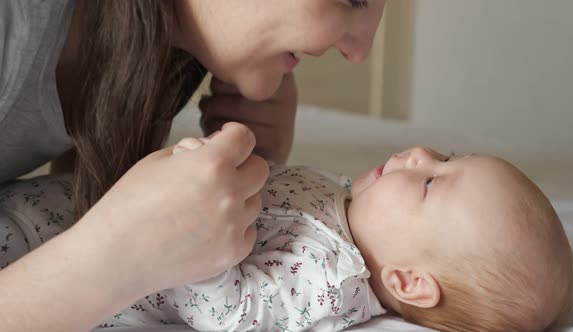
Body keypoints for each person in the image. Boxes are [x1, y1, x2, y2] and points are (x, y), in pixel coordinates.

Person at [0, 1, 386, 330]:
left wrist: (252, 181)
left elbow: (65, 210)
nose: (360, 50)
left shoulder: (164, 54)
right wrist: (114, 258)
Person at [1, 145, 573, 332]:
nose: (420, 153)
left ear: (409, 282)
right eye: (445, 156)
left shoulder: (328, 286)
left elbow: (229, 313)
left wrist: (199, 247)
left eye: (429, 183)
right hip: (59, 200)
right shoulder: (346, 200)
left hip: (44, 257)